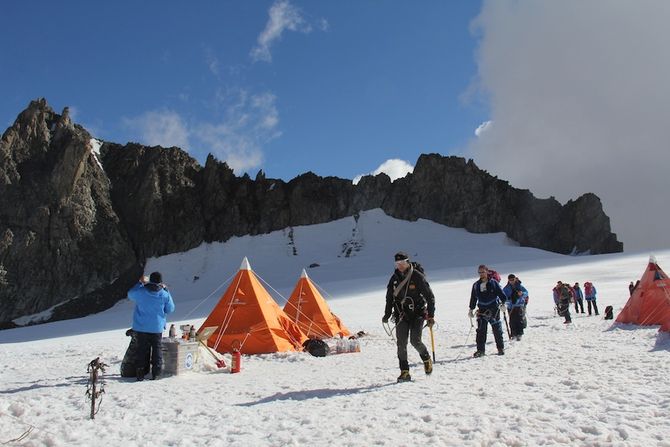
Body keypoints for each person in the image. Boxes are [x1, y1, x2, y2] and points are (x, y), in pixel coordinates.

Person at [383, 252, 435, 382]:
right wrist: (387, 313)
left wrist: (431, 315)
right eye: (397, 264)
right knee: (401, 344)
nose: (399, 266)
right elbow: (389, 297)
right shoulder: (394, 278)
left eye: (401, 263)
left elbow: (430, 296)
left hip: (417, 313)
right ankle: (404, 371)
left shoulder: (417, 276)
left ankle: (426, 358)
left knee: (415, 341)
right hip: (401, 314)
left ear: (407, 262)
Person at [128, 271, 175, 381]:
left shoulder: (141, 291)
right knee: (157, 349)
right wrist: (167, 291)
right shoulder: (164, 294)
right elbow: (170, 309)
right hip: (156, 327)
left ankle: (140, 372)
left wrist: (140, 283)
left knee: (141, 349)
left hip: (141, 326)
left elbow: (130, 294)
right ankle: (156, 373)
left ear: (150, 280)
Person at [469, 265, 507, 357]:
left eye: (483, 272)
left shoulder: (493, 283)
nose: (481, 274)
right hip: (482, 310)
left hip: (494, 309)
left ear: (487, 272)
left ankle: (500, 348)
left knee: (497, 330)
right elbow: (473, 298)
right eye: (479, 272)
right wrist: (471, 309)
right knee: (481, 331)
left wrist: (503, 303)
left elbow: (501, 294)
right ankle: (481, 350)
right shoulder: (476, 285)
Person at [503, 274, 528, 340]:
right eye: (510, 280)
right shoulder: (506, 288)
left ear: (515, 279)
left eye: (513, 280)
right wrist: (508, 299)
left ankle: (519, 334)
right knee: (512, 320)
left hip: (519, 305)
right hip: (511, 306)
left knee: (519, 320)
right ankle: (513, 334)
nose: (511, 281)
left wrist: (522, 294)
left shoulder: (519, 286)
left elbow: (526, 292)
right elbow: (503, 296)